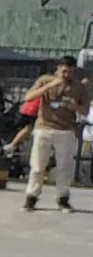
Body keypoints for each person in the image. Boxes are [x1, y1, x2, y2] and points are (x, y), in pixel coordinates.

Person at [19, 56, 88, 211]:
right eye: (64, 71)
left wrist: (75, 106)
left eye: (70, 72)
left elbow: (85, 110)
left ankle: (62, 197)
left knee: (64, 166)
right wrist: (49, 85)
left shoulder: (78, 87)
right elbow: (28, 97)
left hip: (65, 130)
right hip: (44, 127)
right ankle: (32, 196)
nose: (67, 75)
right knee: (38, 165)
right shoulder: (45, 80)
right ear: (58, 69)